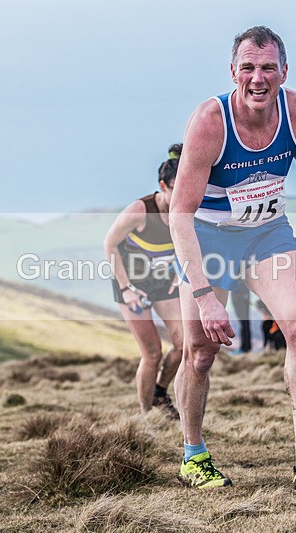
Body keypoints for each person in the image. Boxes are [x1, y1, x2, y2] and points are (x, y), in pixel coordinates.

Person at [169, 26, 296, 493]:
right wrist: (206, 296)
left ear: (283, 72)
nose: (258, 78)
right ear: (233, 72)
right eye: (248, 67)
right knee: (200, 353)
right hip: (208, 239)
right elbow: (180, 215)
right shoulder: (211, 122)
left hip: (268, 235)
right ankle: (193, 455)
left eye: (268, 67)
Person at [104, 144, 184, 420]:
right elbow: (110, 245)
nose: (182, 195)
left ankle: (160, 393)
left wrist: (180, 273)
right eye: (176, 188)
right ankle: (145, 416)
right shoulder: (140, 210)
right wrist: (126, 289)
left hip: (163, 282)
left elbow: (191, 244)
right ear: (163, 185)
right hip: (131, 285)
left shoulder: (186, 210)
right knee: (152, 354)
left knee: (184, 344)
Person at [229, 282, 252, 353]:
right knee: (244, 323)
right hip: (241, 294)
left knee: (244, 323)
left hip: (240, 295)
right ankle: (246, 347)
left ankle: (245, 348)